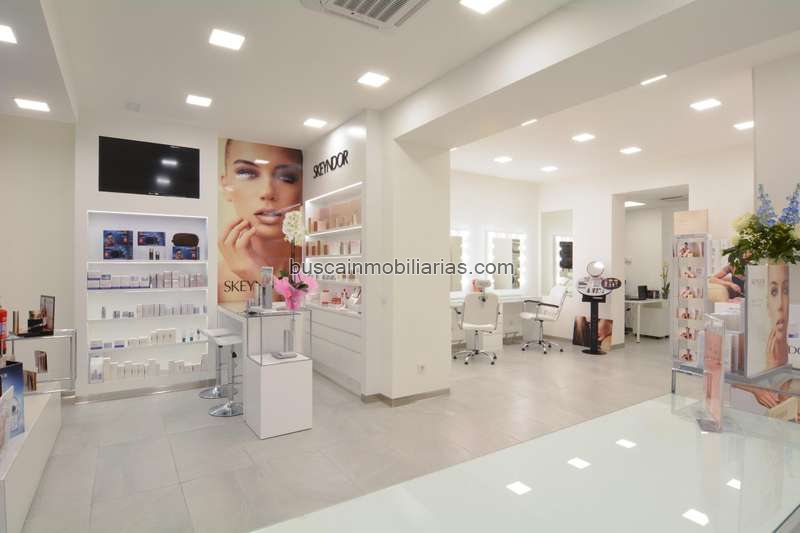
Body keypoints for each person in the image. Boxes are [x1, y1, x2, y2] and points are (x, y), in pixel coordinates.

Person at [218, 139, 303, 302]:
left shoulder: (317, 265)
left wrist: (260, 277)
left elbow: (287, 314)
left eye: (287, 177)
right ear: (226, 186)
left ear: (303, 189)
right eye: (246, 173)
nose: (267, 192)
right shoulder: (216, 282)